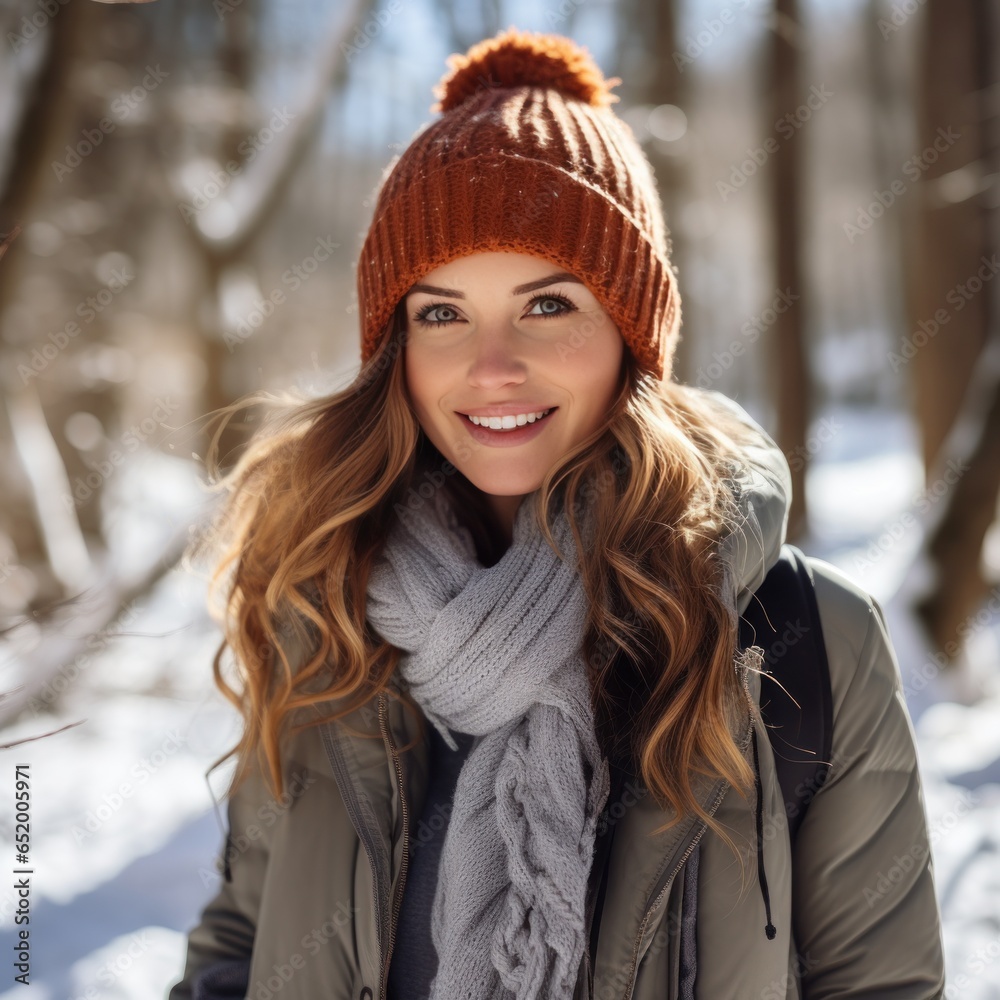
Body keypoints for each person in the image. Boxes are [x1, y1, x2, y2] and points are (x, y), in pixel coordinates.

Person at [167, 26, 946, 1000]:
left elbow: (879, 986)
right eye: (440, 312)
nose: (491, 366)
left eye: (547, 306)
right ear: (392, 349)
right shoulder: (322, 611)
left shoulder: (795, 640)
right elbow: (242, 942)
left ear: (630, 333)